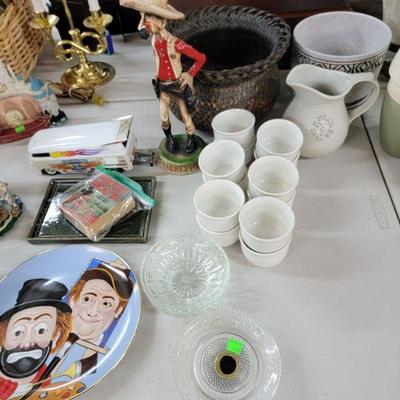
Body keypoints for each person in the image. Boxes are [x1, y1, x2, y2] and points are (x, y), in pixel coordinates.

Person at [120, 0, 206, 154]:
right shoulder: (153, 40)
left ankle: (191, 138)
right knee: (164, 118)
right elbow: (141, 27)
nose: (146, 23)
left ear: (163, 22)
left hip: (177, 86)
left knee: (186, 117)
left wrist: (189, 74)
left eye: (151, 19)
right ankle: (169, 139)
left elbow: (201, 58)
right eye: (147, 18)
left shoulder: (176, 43)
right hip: (163, 86)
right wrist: (143, 12)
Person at [0, 279, 72, 400]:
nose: (27, 343)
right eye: (18, 332)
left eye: (41, 331)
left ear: (56, 337)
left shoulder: (44, 381)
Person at [66, 260, 134, 376]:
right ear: (73, 300)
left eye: (106, 303)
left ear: (117, 311)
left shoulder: (94, 366)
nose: (93, 312)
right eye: (87, 299)